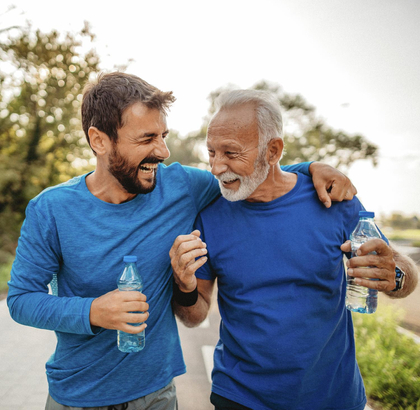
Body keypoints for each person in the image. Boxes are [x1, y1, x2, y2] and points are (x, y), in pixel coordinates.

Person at [8, 72, 357, 410]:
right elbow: (21, 300)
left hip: (155, 394)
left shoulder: (182, 188)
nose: (163, 151)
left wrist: (312, 168)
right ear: (99, 140)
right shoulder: (51, 210)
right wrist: (92, 311)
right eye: (147, 139)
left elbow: (253, 173)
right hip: (76, 394)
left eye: (163, 135)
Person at [170, 89, 419, 410]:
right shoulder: (209, 215)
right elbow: (195, 315)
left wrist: (395, 277)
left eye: (231, 153)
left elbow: (405, 277)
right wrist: (185, 287)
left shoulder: (333, 199)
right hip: (240, 398)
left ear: (273, 151)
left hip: (334, 398)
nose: (217, 167)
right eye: (211, 152)